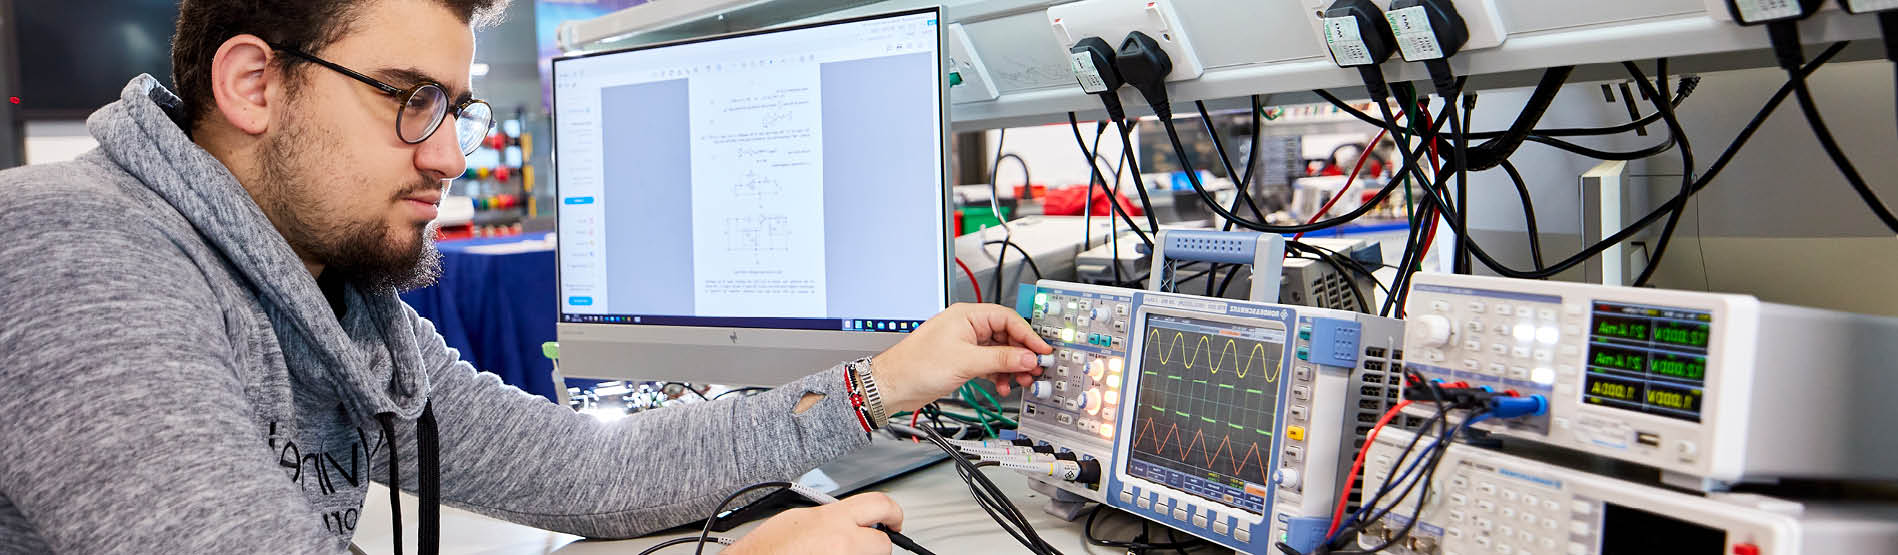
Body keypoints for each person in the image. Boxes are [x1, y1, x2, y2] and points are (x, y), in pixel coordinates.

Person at [0, 0, 1051, 553]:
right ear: (252, 83)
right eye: (410, 98)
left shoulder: (333, 299)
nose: (450, 156)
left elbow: (586, 473)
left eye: (454, 107)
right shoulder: (73, 251)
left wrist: (878, 382)